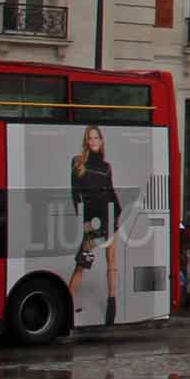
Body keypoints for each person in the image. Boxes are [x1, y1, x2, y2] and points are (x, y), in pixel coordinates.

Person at [67, 125, 122, 327]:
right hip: (92, 219)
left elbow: (111, 190)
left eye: (96, 137)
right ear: (86, 141)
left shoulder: (106, 167)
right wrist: (84, 221)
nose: (93, 141)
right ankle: (67, 306)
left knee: (111, 259)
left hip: (109, 215)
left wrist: (118, 213)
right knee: (82, 263)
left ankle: (112, 302)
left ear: (101, 140)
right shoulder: (78, 162)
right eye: (90, 138)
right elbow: (75, 194)